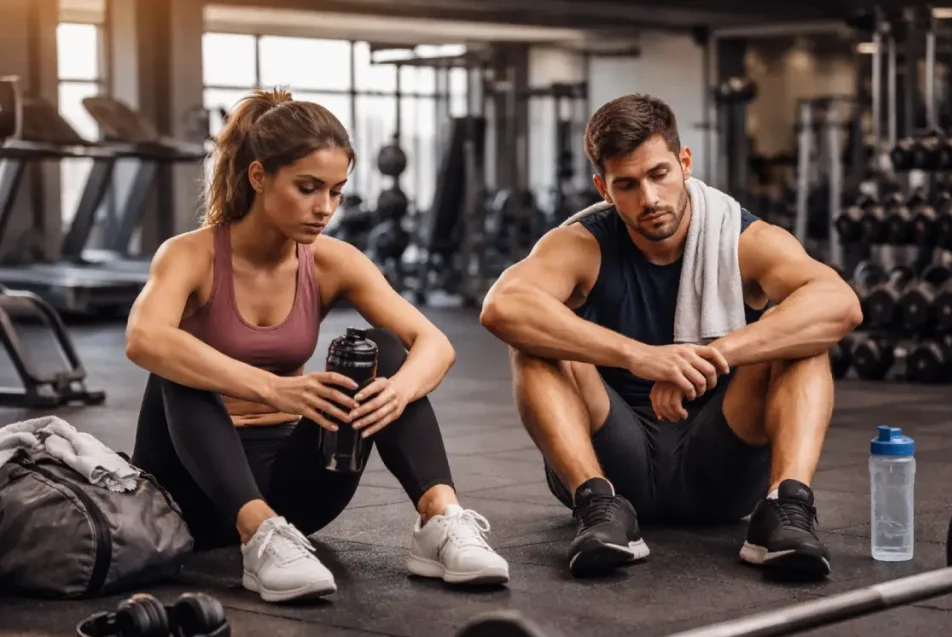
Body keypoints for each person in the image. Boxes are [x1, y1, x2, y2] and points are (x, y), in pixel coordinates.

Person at [124, 88, 509, 603]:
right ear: (259, 177)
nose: (324, 208)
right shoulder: (190, 255)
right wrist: (273, 389)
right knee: (175, 361)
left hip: (296, 494)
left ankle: (440, 519)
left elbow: (433, 342)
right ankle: (257, 536)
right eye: (307, 188)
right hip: (191, 489)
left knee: (386, 351)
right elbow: (143, 339)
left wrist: (398, 393)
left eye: (335, 191)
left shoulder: (333, 261)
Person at [479, 93, 862, 579]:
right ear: (603, 187)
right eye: (627, 185)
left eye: (659, 174)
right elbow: (502, 307)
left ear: (684, 162)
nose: (649, 199)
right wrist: (642, 358)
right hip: (613, 462)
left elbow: (841, 304)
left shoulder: (744, 240)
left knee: (799, 338)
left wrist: (711, 354)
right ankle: (596, 506)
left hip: (720, 459)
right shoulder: (582, 244)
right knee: (535, 338)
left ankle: (787, 509)